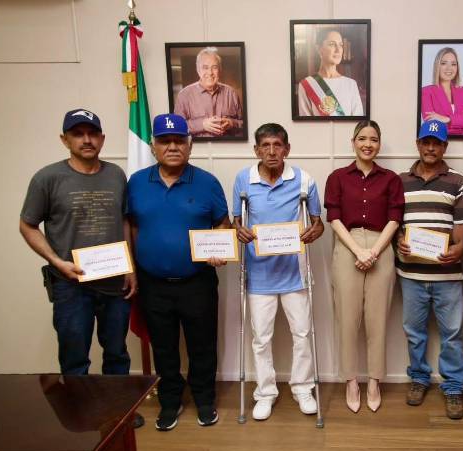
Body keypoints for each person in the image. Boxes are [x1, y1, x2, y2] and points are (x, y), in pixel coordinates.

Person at [19, 108, 143, 428]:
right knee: (75, 355)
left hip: (115, 283)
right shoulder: (47, 178)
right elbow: (28, 225)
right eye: (78, 134)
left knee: (116, 353)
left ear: (102, 138)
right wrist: (57, 261)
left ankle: (118, 413)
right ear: (65, 140)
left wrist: (130, 267)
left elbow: (124, 222)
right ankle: (81, 416)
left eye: (92, 134)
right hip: (71, 286)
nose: (86, 140)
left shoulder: (116, 175)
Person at [127, 113, 231, 431]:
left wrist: (219, 248)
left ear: (190, 144)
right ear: (153, 146)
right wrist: (132, 268)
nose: (172, 146)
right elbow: (131, 226)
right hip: (153, 284)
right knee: (163, 347)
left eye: (179, 141)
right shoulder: (136, 183)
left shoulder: (207, 182)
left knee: (202, 345)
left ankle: (204, 400)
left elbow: (222, 223)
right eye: (164, 141)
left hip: (197, 282)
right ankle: (169, 401)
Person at [232, 123, 325, 421]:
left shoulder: (304, 180)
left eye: (277, 145)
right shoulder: (243, 180)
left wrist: (314, 231)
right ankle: (265, 392)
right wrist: (239, 230)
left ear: (287, 149)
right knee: (261, 338)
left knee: (302, 334)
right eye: (265, 145)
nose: (272, 151)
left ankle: (302, 388)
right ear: (256, 150)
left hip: (294, 273)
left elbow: (318, 223)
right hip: (259, 274)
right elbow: (236, 221)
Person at [324, 120, 404, 413]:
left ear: (379, 144)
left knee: (377, 319)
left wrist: (374, 251)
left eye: (373, 139)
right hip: (348, 244)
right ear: (353, 142)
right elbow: (334, 219)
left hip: (382, 244)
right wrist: (358, 250)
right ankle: (350, 381)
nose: (367, 144)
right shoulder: (337, 177)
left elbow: (394, 218)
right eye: (362, 138)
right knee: (347, 319)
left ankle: (373, 381)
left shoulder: (391, 179)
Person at [396, 120, 463, 420]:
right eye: (426, 142)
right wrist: (400, 241)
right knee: (414, 332)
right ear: (418, 144)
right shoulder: (400, 181)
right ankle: (419, 378)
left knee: (452, 334)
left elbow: (461, 228)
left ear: (444, 147)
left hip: (447, 274)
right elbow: (395, 223)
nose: (431, 148)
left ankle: (453, 387)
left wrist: (460, 247)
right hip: (411, 274)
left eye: (437, 143)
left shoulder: (459, 182)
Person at [174, 46, 243, 138]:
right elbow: (177, 127)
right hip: (196, 147)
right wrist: (202, 125)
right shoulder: (184, 95)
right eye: (205, 67)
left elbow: (244, 123)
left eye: (214, 67)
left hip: (227, 145)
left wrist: (231, 123)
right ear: (198, 70)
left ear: (220, 70)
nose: (210, 73)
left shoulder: (231, 93)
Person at [298, 29, 364, 117]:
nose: (338, 50)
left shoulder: (351, 84)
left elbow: (358, 121)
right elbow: (305, 123)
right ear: (319, 49)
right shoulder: (306, 84)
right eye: (332, 44)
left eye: (340, 45)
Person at [421, 47, 463, 136]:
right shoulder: (426, 92)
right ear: (437, 66)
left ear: (457, 68)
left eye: (453, 64)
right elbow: (431, 123)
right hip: (440, 141)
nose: (449, 68)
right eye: (444, 63)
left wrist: (448, 119)